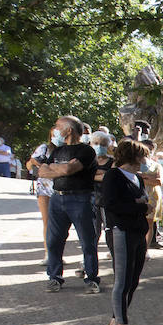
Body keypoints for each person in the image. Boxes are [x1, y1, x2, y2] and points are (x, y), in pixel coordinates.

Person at [37, 115, 102, 293]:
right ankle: (55, 277)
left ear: (69, 129)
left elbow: (68, 169)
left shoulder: (86, 151)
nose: (56, 130)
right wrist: (60, 170)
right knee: (53, 241)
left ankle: (91, 279)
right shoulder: (57, 151)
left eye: (59, 126)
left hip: (81, 198)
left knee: (87, 241)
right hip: (57, 198)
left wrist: (56, 170)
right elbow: (42, 171)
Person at [101, 139, 154, 325]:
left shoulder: (137, 179)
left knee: (133, 280)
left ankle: (114, 324)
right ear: (133, 157)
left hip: (137, 232)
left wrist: (141, 205)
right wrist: (140, 206)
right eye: (143, 155)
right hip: (120, 231)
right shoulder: (113, 176)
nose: (145, 159)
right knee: (121, 281)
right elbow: (112, 204)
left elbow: (141, 201)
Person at [27, 132, 54, 264]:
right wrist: (35, 162)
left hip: (63, 187)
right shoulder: (44, 148)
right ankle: (48, 253)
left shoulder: (68, 149)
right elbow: (29, 164)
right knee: (47, 221)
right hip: (44, 187)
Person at [89, 130, 116, 265]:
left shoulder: (113, 161)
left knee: (110, 232)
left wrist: (92, 175)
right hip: (91, 201)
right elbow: (83, 176)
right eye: (96, 143)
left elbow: (110, 177)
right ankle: (88, 263)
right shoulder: (88, 161)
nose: (99, 146)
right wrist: (101, 174)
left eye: (103, 144)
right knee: (92, 233)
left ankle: (116, 261)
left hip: (107, 201)